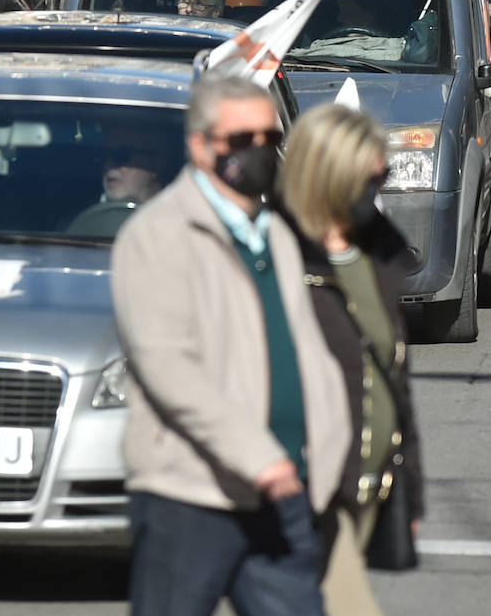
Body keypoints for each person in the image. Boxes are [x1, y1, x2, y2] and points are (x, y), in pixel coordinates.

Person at [111, 74, 349, 616]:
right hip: (192, 496)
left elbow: (307, 351)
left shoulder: (275, 234)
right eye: (241, 140)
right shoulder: (157, 235)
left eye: (268, 137)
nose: (258, 152)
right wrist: (262, 459)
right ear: (200, 146)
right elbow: (168, 368)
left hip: (288, 494)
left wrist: (328, 460)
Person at [279, 104, 423, 616]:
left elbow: (394, 376)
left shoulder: (378, 253)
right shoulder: (278, 255)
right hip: (304, 494)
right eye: (371, 174)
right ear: (328, 176)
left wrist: (410, 494)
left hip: (366, 486)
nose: (379, 185)